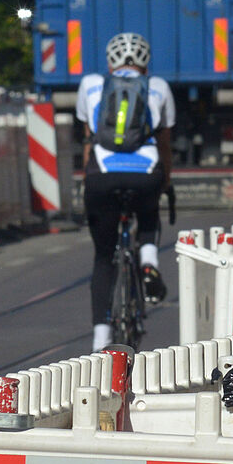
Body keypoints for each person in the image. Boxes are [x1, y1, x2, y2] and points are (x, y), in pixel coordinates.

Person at [76, 32, 174, 350]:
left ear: (109, 62)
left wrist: (89, 181)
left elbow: (90, 140)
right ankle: (148, 262)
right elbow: (164, 144)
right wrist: (165, 180)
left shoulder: (91, 84)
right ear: (146, 63)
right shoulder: (158, 87)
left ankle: (100, 341)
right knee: (147, 214)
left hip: (102, 176)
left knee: (104, 258)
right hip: (145, 173)